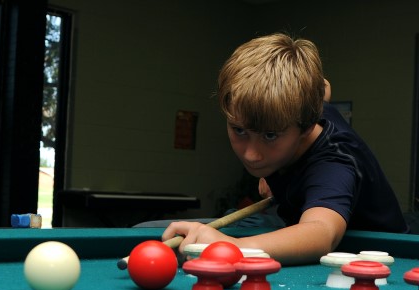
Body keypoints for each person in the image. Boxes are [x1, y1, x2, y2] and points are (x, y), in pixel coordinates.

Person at [161, 33, 409, 266]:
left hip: (384, 259)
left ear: (306, 125)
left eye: (270, 135)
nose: (251, 154)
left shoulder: (334, 164)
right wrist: (274, 164)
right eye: (239, 130)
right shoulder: (304, 103)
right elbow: (323, 87)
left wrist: (233, 246)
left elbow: (320, 234)